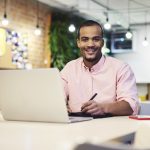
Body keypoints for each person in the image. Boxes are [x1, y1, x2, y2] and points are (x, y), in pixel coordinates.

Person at [60, 20, 139, 116]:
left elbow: (130, 106)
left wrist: (103, 108)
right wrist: (61, 106)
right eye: (85, 39)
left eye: (96, 39)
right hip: (75, 127)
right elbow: (56, 96)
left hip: (111, 128)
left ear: (102, 42)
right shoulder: (70, 68)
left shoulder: (121, 68)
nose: (90, 44)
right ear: (78, 43)